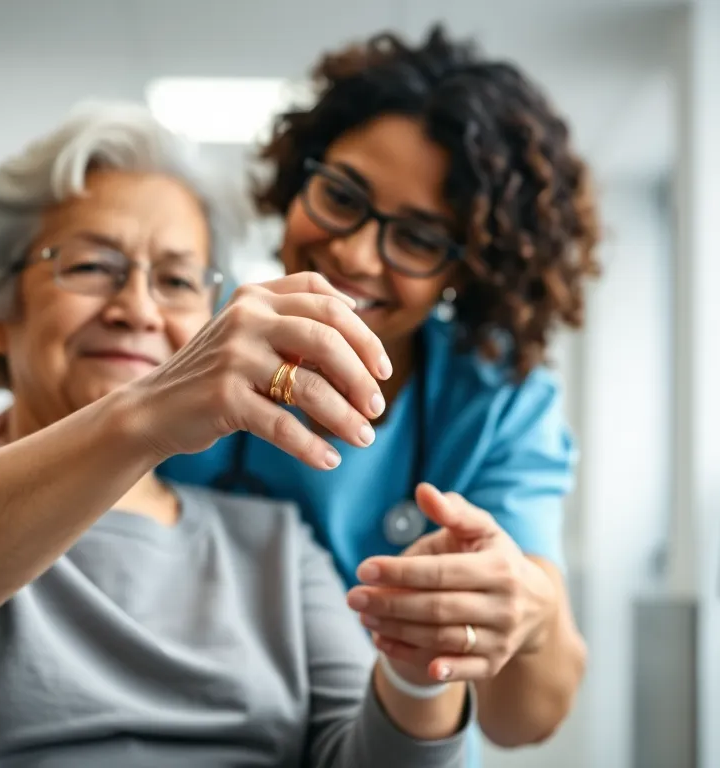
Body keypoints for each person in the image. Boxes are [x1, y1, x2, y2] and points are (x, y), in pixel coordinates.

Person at [0, 103, 475, 767]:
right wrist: (150, 411)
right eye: (93, 266)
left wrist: (421, 669)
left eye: (178, 280)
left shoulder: (272, 546)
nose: (138, 310)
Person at [156, 24, 600, 757]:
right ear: (301, 172)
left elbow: (522, 721)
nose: (356, 253)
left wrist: (532, 608)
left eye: (420, 240)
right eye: (340, 195)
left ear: (467, 268)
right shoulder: (184, 335)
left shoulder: (495, 403)